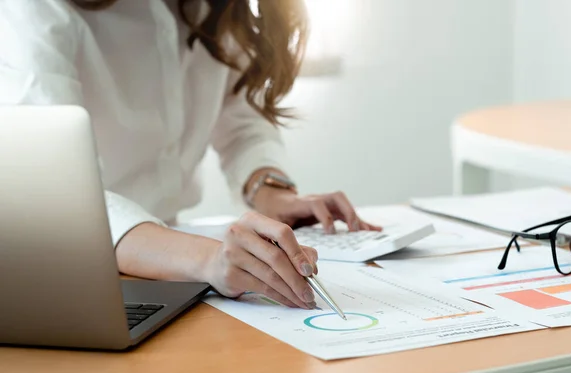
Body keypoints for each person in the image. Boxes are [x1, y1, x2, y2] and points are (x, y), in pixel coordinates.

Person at [0, 0, 380, 310]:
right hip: (61, 273)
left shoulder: (212, 10)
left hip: (167, 268)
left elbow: (242, 124)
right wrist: (209, 260)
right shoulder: (35, 10)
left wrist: (274, 193)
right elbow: (60, 196)